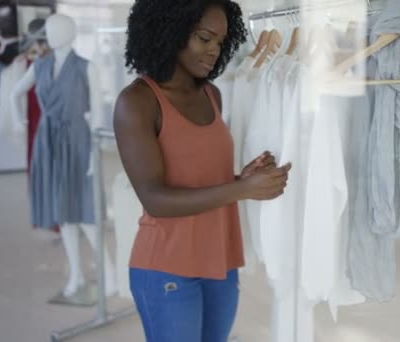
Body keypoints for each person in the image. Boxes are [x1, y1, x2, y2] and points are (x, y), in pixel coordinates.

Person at [113, 1, 291, 341]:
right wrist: (242, 189)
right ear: (171, 32)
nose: (214, 50)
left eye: (221, 42)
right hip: (166, 265)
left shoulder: (212, 95)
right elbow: (155, 200)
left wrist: (243, 179)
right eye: (204, 38)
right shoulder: (137, 102)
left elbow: (202, 182)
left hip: (219, 261)